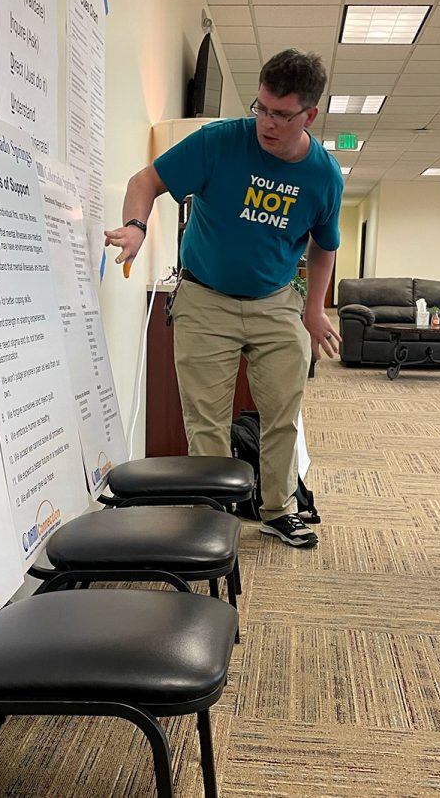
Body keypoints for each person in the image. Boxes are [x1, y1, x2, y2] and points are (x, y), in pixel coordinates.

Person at [104, 49, 343, 548]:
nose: (267, 123)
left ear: (310, 116)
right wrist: (135, 226)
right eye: (261, 108)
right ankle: (213, 517)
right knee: (205, 422)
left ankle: (277, 508)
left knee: (282, 413)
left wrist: (314, 308)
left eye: (281, 114)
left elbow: (324, 246)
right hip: (205, 298)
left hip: (277, 300)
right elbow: (145, 181)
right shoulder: (219, 142)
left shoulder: (324, 176)